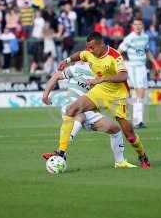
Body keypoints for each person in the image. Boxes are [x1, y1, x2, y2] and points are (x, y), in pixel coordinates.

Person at [51, 31, 151, 169]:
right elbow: (79, 54)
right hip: (100, 91)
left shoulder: (114, 56)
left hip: (117, 96)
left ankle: (142, 155)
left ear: (101, 44)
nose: (89, 50)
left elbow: (123, 76)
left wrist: (103, 78)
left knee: (129, 134)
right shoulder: (88, 53)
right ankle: (61, 153)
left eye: (92, 47)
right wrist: (66, 61)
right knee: (71, 109)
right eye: (88, 47)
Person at [41, 62, 136, 168]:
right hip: (71, 107)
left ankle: (120, 162)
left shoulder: (102, 75)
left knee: (115, 129)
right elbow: (56, 75)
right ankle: (60, 152)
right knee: (80, 116)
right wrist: (45, 95)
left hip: (88, 110)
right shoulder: (76, 68)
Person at [118, 17, 159, 129]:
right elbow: (119, 52)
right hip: (134, 67)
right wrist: (122, 65)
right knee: (139, 92)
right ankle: (137, 121)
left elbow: (147, 51)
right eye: (135, 24)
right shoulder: (129, 38)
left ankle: (137, 119)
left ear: (142, 26)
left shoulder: (145, 37)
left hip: (142, 67)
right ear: (132, 26)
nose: (137, 26)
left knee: (141, 93)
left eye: (139, 24)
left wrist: (155, 63)